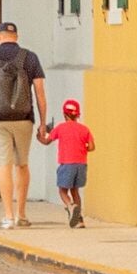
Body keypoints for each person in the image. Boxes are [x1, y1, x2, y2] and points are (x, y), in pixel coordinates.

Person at [0, 20, 49, 231]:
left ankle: (8, 216)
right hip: (24, 119)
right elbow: (40, 92)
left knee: (3, 166)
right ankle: (22, 215)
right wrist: (42, 123)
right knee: (22, 164)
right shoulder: (29, 57)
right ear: (17, 36)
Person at [49, 97, 95, 228]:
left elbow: (46, 140)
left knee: (62, 190)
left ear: (64, 114)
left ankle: (70, 207)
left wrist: (40, 135)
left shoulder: (60, 128)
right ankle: (79, 220)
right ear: (77, 115)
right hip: (81, 164)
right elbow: (91, 147)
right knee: (75, 191)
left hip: (67, 164)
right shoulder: (84, 129)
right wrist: (82, 148)